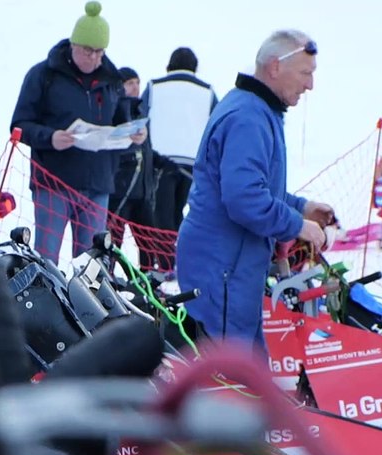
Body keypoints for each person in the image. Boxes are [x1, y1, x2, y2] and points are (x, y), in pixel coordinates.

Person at [175, 30, 335, 352]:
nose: (310, 85)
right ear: (275, 67)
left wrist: (301, 207)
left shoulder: (257, 109)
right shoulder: (249, 117)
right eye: (306, 73)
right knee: (233, 378)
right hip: (223, 269)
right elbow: (244, 199)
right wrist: (297, 225)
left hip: (233, 267)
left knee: (249, 372)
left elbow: (257, 187)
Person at [10, 1, 147, 264]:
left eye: (100, 52)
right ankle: (43, 303)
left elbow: (120, 126)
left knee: (92, 262)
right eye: (88, 50)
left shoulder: (112, 80)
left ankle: (90, 305)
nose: (94, 57)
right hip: (53, 183)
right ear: (73, 45)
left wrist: (133, 136)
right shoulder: (43, 75)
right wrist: (50, 138)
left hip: (97, 186)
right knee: (46, 258)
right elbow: (20, 125)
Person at [141, 46, 218, 233]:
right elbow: (217, 128)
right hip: (193, 164)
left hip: (160, 163)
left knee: (162, 218)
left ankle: (166, 259)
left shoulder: (154, 86)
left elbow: (141, 119)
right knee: (181, 215)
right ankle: (179, 255)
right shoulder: (208, 91)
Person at [107, 67, 165, 270]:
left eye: (137, 82)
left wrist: (159, 161)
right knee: (114, 242)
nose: (136, 87)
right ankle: (108, 277)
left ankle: (148, 281)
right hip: (121, 190)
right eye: (130, 83)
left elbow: (144, 149)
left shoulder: (140, 112)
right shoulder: (116, 111)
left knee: (149, 243)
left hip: (143, 192)